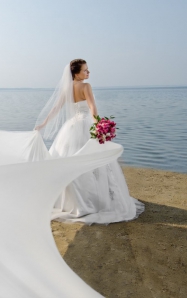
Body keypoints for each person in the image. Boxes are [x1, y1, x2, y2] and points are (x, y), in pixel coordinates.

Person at [35, 59, 144, 224]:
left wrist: (43, 124)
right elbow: (93, 108)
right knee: (94, 163)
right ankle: (95, 201)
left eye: (88, 70)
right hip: (85, 125)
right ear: (76, 73)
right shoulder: (86, 86)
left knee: (69, 160)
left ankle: (68, 201)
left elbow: (55, 109)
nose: (88, 73)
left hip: (71, 128)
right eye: (85, 70)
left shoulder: (67, 88)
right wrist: (99, 126)